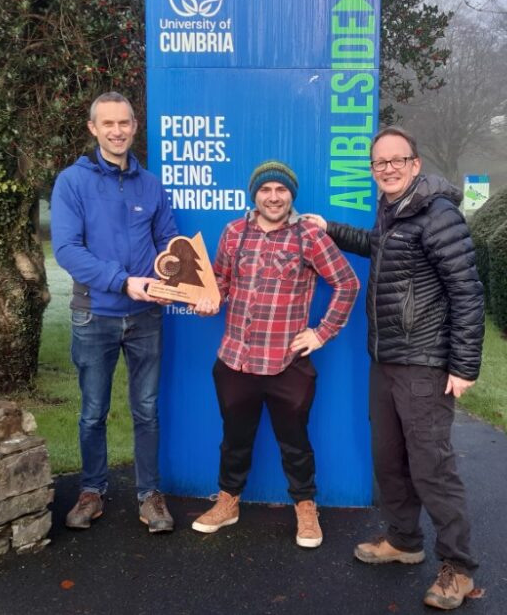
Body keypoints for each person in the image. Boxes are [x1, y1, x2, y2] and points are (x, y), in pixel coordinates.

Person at [303, 127, 485, 610]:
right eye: (379, 162)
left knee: (431, 468)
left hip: (424, 363)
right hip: (386, 359)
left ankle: (459, 568)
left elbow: (467, 293)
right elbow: (380, 246)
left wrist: (464, 366)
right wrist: (329, 228)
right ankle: (404, 540)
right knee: (389, 460)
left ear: (415, 164)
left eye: (396, 160)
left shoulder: (438, 214)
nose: (387, 168)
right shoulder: (393, 210)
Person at [191, 160, 359, 548]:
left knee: (295, 442)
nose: (273, 197)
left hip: (287, 362)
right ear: (255, 195)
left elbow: (347, 283)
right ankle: (228, 502)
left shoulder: (309, 236)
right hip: (235, 359)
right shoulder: (233, 232)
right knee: (234, 439)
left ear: (291, 195)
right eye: (265, 190)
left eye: (281, 190)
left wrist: (322, 333)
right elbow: (221, 281)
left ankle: (305, 507)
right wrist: (208, 299)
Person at [50, 91, 179, 534]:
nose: (117, 131)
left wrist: (171, 277)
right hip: (94, 315)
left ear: (134, 127)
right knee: (93, 411)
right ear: (93, 128)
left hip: (146, 316)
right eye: (108, 124)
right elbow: (67, 250)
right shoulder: (72, 182)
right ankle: (92, 490)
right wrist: (123, 281)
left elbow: (168, 241)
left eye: (124, 123)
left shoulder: (151, 184)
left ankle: (149, 495)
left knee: (146, 409)